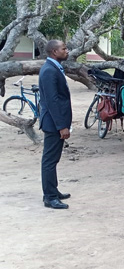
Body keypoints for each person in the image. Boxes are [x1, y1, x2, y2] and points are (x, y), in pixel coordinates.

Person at [38, 40, 72, 209]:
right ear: (53, 51)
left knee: (54, 158)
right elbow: (52, 101)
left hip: (56, 121)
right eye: (63, 49)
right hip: (53, 123)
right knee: (49, 160)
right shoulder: (49, 71)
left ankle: (53, 189)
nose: (67, 51)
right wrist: (61, 126)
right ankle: (49, 197)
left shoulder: (54, 67)